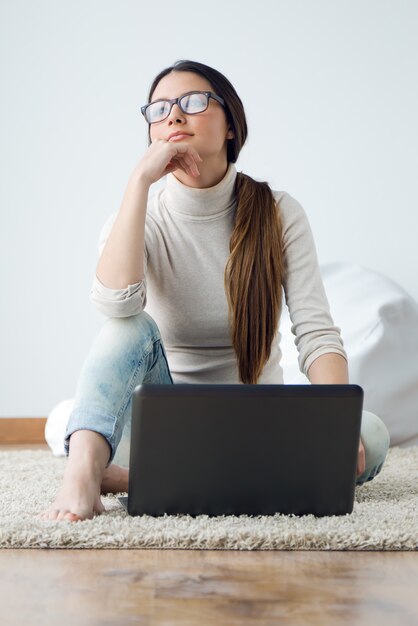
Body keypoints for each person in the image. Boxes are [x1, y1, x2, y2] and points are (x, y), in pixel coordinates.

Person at [37, 59, 390, 522]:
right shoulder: (139, 212)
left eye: (194, 102)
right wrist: (139, 182)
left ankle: (134, 479)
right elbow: (115, 305)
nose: (175, 116)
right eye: (160, 109)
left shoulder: (279, 213)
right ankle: (90, 477)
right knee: (97, 374)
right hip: (164, 430)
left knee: (371, 434)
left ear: (230, 125)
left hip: (255, 425)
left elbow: (317, 334)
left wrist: (336, 430)